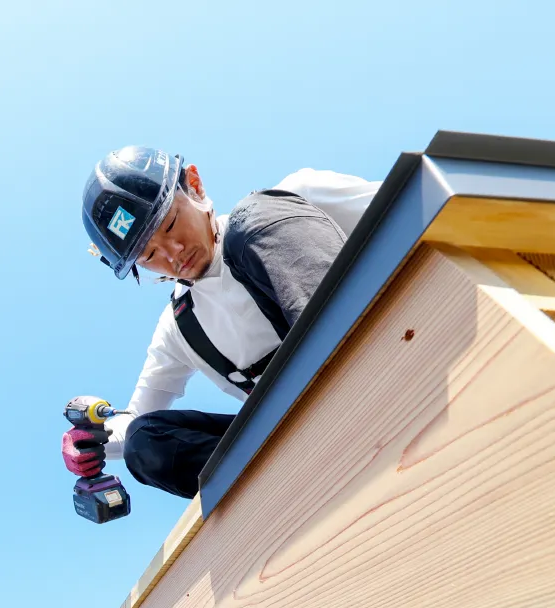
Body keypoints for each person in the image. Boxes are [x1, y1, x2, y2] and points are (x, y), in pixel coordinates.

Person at [63, 147, 379, 500]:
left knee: (253, 218)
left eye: (170, 224)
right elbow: (136, 418)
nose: (174, 253)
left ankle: (357, 380)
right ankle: (282, 498)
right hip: (305, 438)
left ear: (195, 185)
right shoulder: (180, 328)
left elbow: (423, 201)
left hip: (377, 362)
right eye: (149, 255)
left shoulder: (295, 200)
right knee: (145, 442)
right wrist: (97, 442)